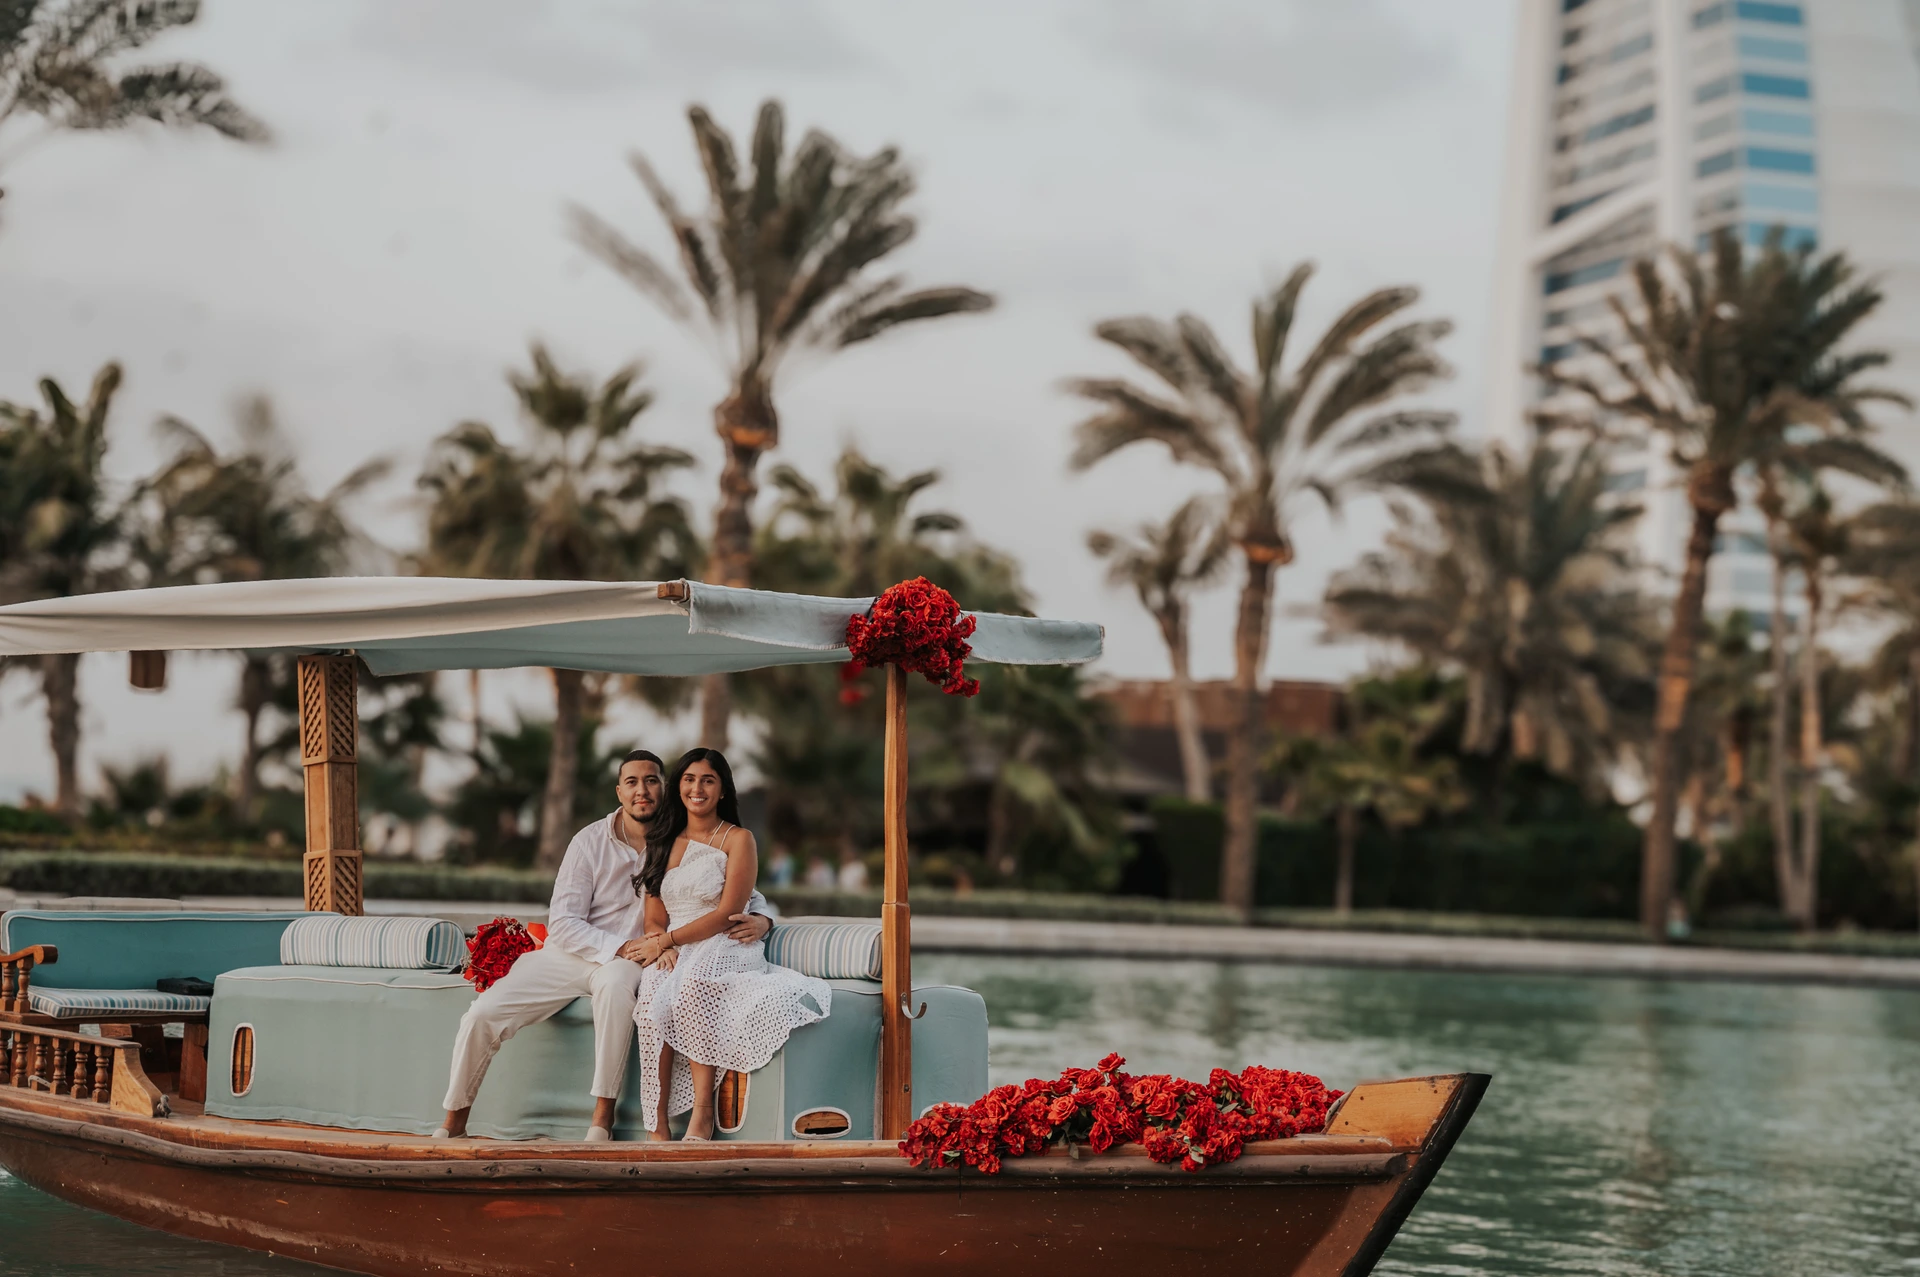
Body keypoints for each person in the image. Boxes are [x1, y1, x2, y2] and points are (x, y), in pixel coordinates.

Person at [437, 749, 774, 1142]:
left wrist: (765, 919)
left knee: (616, 989)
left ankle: (601, 1122)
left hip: (636, 959)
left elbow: (731, 889)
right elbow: (562, 922)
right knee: (483, 1013)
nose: (642, 791)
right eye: (632, 782)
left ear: (664, 789)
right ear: (619, 791)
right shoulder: (589, 840)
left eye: (651, 781)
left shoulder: (676, 837)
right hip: (581, 952)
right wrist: (625, 946)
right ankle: (452, 1124)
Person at [628, 748, 832, 1141]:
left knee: (691, 988)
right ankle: (656, 1122)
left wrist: (669, 939)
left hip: (724, 940)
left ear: (722, 790)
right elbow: (654, 913)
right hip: (676, 942)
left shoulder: (739, 839)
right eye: (689, 779)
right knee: (652, 994)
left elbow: (729, 912)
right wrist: (661, 944)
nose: (697, 788)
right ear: (678, 787)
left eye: (708, 780)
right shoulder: (663, 839)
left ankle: (702, 1116)